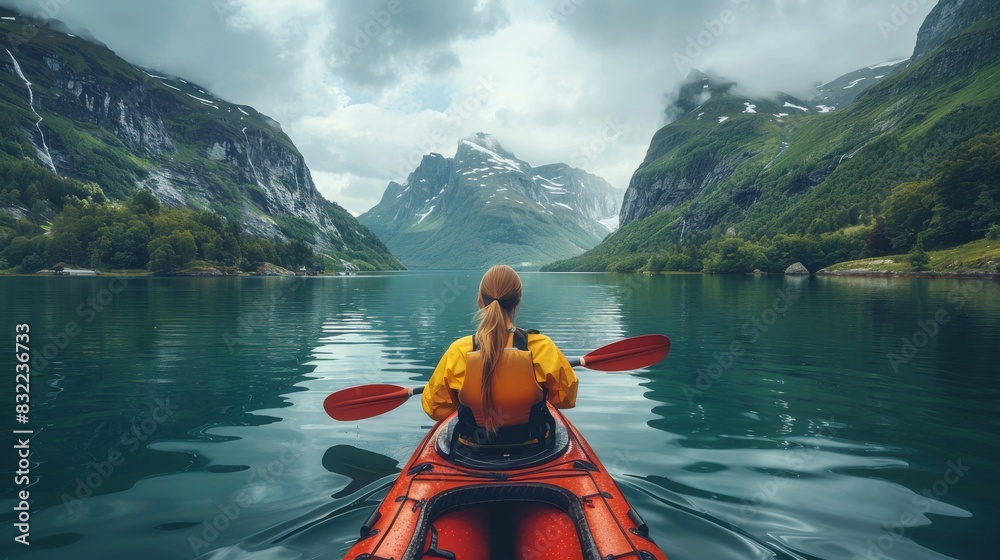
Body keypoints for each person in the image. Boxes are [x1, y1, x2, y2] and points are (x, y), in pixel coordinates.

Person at [421, 265, 578, 447]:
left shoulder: (459, 351)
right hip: (533, 445)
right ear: (518, 300)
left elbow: (435, 409)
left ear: (480, 300)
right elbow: (566, 399)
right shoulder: (542, 347)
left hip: (473, 448)